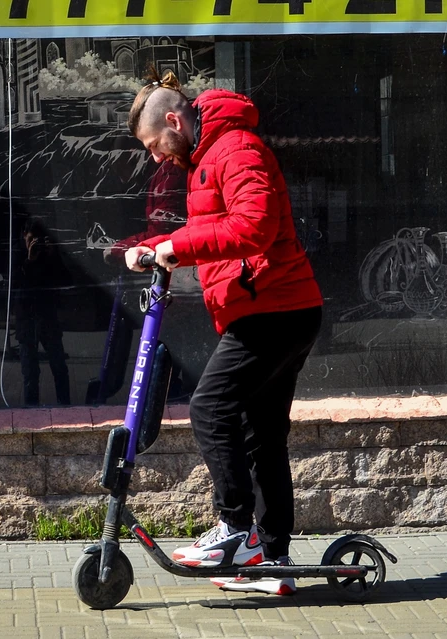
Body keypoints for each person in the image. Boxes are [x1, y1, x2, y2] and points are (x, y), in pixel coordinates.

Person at [122, 71, 323, 596]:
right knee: (263, 434)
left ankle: (235, 528)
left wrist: (178, 249)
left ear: (173, 121)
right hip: (277, 307)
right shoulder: (207, 155)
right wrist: (156, 245)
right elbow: (213, 227)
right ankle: (272, 560)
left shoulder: (235, 148)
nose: (156, 157)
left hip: (274, 309)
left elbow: (255, 227)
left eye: (154, 145)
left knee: (209, 409)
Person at [15, 217, 71, 405]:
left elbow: (66, 281)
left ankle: (65, 406)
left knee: (59, 367)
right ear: (24, 236)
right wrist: (29, 260)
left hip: (48, 317)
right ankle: (31, 410)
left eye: (37, 241)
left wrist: (53, 255)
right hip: (27, 318)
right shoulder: (17, 255)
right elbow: (16, 287)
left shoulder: (50, 256)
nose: (34, 244)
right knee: (30, 371)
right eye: (32, 240)